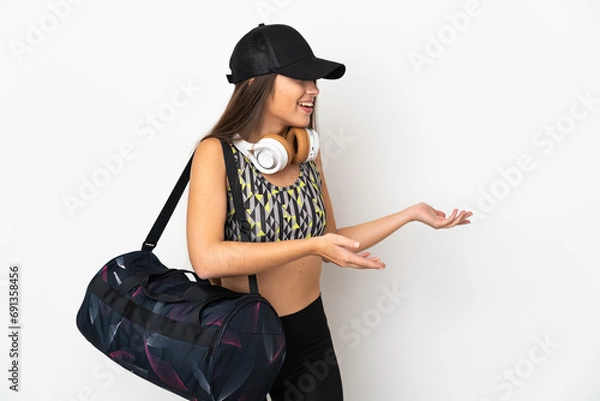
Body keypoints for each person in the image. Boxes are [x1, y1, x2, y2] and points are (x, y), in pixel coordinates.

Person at [186, 23, 472, 401]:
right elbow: (206, 260)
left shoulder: (305, 153)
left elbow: (332, 239)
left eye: (315, 80)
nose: (315, 90)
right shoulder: (216, 153)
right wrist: (309, 247)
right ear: (255, 83)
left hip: (309, 335)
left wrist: (410, 214)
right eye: (300, 78)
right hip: (244, 338)